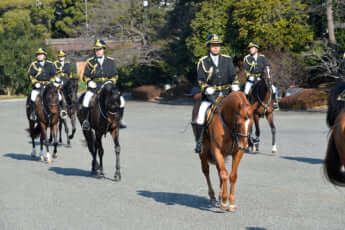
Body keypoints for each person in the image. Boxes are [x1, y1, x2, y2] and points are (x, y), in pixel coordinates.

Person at [191, 34, 240, 154]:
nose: (216, 48)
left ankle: (243, 139)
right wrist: (206, 88)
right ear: (209, 47)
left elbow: (233, 76)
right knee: (201, 114)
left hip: (226, 94)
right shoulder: (203, 62)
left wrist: (235, 85)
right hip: (210, 95)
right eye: (213, 46)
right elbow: (201, 80)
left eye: (217, 45)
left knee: (242, 112)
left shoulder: (227, 60)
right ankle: (199, 142)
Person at [81, 40, 127, 130]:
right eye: (96, 49)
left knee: (122, 100)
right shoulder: (90, 62)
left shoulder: (110, 61)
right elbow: (85, 76)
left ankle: (120, 119)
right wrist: (89, 82)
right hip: (95, 87)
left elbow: (115, 75)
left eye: (100, 49)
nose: (98, 51)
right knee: (85, 101)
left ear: (104, 49)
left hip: (109, 87)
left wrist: (110, 82)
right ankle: (86, 121)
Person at [243, 42, 279, 110]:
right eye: (250, 48)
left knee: (273, 88)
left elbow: (266, 66)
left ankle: (274, 102)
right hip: (251, 79)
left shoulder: (262, 57)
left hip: (260, 78)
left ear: (256, 49)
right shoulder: (247, 58)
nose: (251, 49)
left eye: (252, 48)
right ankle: (246, 105)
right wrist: (250, 77)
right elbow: (246, 70)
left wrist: (267, 73)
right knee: (246, 91)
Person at [28, 48, 57, 120]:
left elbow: (54, 75)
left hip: (49, 86)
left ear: (45, 56)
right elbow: (30, 75)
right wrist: (35, 83)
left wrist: (51, 81)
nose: (39, 56)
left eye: (41, 54)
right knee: (33, 96)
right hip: (38, 86)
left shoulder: (50, 64)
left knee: (58, 96)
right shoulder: (34, 65)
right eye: (38, 55)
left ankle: (61, 111)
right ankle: (33, 113)